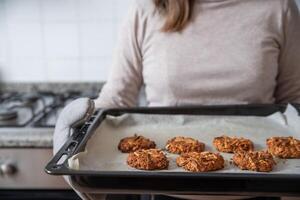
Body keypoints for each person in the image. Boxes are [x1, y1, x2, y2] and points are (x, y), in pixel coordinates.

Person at [53, 0, 300, 199]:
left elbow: (294, 101)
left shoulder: (278, 7)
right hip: (162, 188)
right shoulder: (147, 8)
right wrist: (81, 134)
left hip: (262, 190)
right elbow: (118, 97)